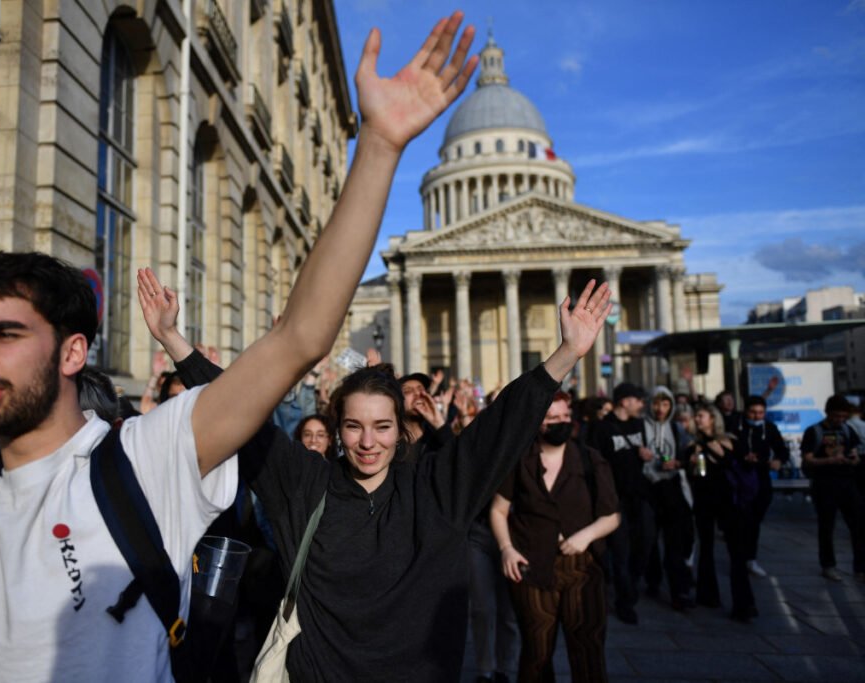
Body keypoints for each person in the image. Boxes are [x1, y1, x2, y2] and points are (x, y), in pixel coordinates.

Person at [0, 13, 472, 679]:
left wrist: (376, 147)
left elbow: (299, 336)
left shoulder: (146, 457)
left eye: (4, 333)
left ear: (73, 352)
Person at [148, 266, 611, 678]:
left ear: (400, 429)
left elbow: (500, 426)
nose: (368, 443)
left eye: (382, 427)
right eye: (354, 426)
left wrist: (567, 354)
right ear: (337, 430)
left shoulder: (436, 490)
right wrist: (174, 342)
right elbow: (236, 411)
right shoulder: (305, 484)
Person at [491, 392, 620, 683]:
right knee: (536, 652)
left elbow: (612, 516)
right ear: (538, 422)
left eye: (564, 417)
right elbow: (499, 510)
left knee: (587, 648)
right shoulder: (521, 460)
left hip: (581, 569)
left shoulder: (590, 460)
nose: (560, 423)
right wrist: (506, 548)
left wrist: (585, 536)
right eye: (552, 418)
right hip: (532, 566)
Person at [590, 382, 653, 625]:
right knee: (620, 553)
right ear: (625, 401)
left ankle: (631, 588)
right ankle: (625, 602)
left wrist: (646, 455)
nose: (642, 405)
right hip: (614, 500)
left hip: (639, 496)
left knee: (644, 545)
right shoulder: (602, 428)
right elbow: (594, 462)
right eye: (638, 400)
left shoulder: (639, 425)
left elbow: (647, 453)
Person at [687, 404, 757, 621]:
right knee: (706, 547)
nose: (697, 419)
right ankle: (708, 594)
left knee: (736, 552)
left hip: (729, 501)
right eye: (696, 416)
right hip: (704, 501)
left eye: (701, 415)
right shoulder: (693, 445)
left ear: (712, 418)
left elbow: (733, 461)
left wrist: (710, 446)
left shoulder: (728, 440)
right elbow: (692, 472)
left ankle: (744, 604)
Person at [641, 386, 695, 610]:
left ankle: (678, 590)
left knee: (675, 541)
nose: (660, 409)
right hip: (648, 486)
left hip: (671, 486)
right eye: (656, 403)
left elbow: (688, 453)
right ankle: (652, 580)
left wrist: (678, 463)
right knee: (650, 538)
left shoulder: (676, 428)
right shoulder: (641, 426)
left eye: (665, 404)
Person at [800, 394, 864, 582]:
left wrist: (853, 459)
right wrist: (829, 460)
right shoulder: (815, 431)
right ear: (828, 413)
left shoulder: (847, 430)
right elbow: (808, 458)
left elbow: (855, 451)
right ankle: (828, 565)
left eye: (843, 416)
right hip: (825, 483)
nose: (840, 420)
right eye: (836, 416)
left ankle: (860, 567)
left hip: (847, 482)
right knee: (826, 525)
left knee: (858, 525)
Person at [737, 394, 789, 578]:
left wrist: (778, 461)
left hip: (761, 477)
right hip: (739, 476)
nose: (757, 417)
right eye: (753, 412)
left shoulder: (770, 428)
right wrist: (742, 457)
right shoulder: (737, 426)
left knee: (755, 518)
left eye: (761, 413)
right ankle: (742, 555)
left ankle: (750, 557)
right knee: (742, 519)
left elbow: (782, 450)